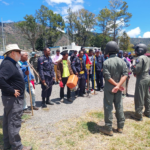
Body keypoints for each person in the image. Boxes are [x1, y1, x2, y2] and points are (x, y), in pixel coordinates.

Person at [0, 44, 32, 150]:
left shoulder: (10, 63)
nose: (20, 54)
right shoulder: (8, 64)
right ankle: (17, 147)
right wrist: (12, 90)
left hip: (10, 98)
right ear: (12, 53)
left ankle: (7, 145)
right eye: (18, 52)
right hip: (13, 99)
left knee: (8, 121)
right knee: (14, 122)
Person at [100, 41, 128, 136]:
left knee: (108, 107)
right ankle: (120, 127)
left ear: (108, 50)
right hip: (119, 88)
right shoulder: (122, 61)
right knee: (119, 106)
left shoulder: (106, 62)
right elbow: (125, 75)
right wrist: (118, 85)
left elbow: (107, 77)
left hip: (109, 88)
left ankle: (109, 128)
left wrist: (115, 85)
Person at [131, 43, 150, 121]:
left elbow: (137, 70)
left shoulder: (139, 58)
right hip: (147, 77)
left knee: (139, 96)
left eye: (136, 50)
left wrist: (133, 67)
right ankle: (148, 112)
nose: (135, 51)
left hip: (141, 78)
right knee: (147, 95)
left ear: (140, 50)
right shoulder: (148, 58)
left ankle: (138, 115)